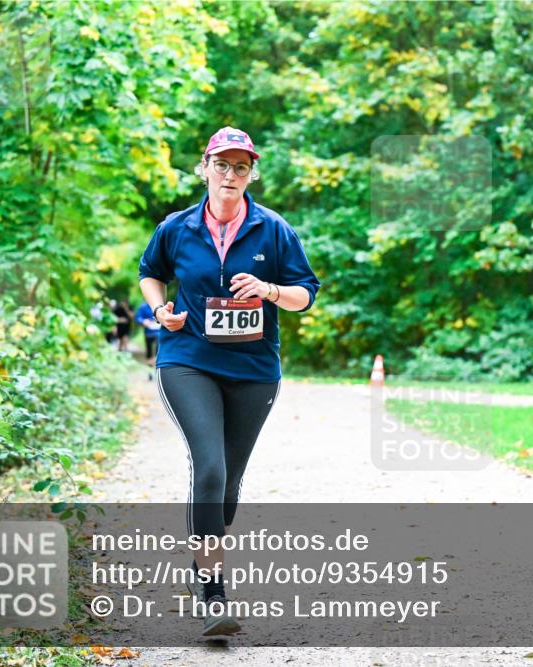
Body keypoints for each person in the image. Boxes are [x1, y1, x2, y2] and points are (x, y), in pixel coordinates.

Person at [138, 127, 320, 636]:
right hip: (188, 359)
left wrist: (269, 290)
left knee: (230, 485)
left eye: (241, 167)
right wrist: (160, 311)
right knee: (210, 467)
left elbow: (306, 294)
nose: (230, 175)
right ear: (205, 168)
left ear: (251, 174)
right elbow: (150, 272)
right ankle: (212, 591)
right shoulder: (177, 227)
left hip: (253, 371)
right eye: (222, 165)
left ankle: (206, 542)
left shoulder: (273, 230)